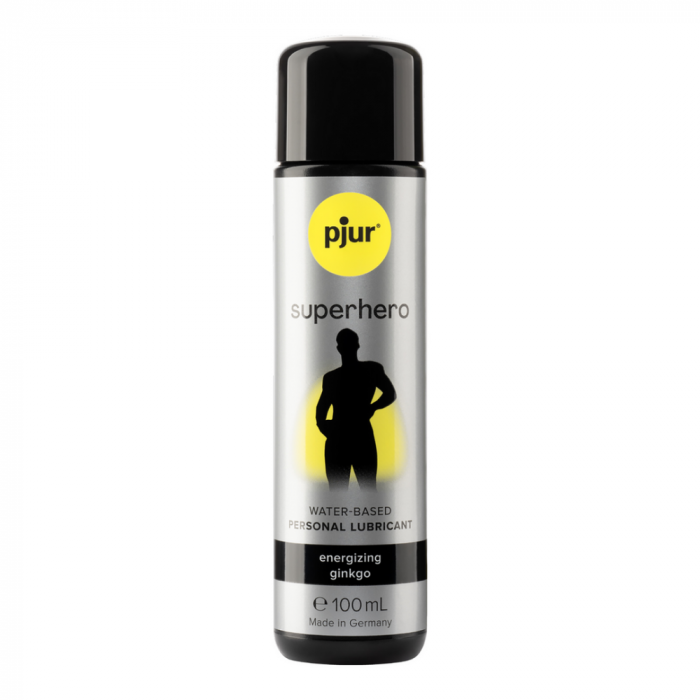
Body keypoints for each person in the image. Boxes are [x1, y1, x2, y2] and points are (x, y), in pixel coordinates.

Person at [315, 329, 396, 490]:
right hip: (348, 437)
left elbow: (390, 394)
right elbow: (321, 411)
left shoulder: (370, 370)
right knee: (349, 488)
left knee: (363, 487)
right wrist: (328, 430)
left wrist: (373, 407)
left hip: (356, 437)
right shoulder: (334, 377)